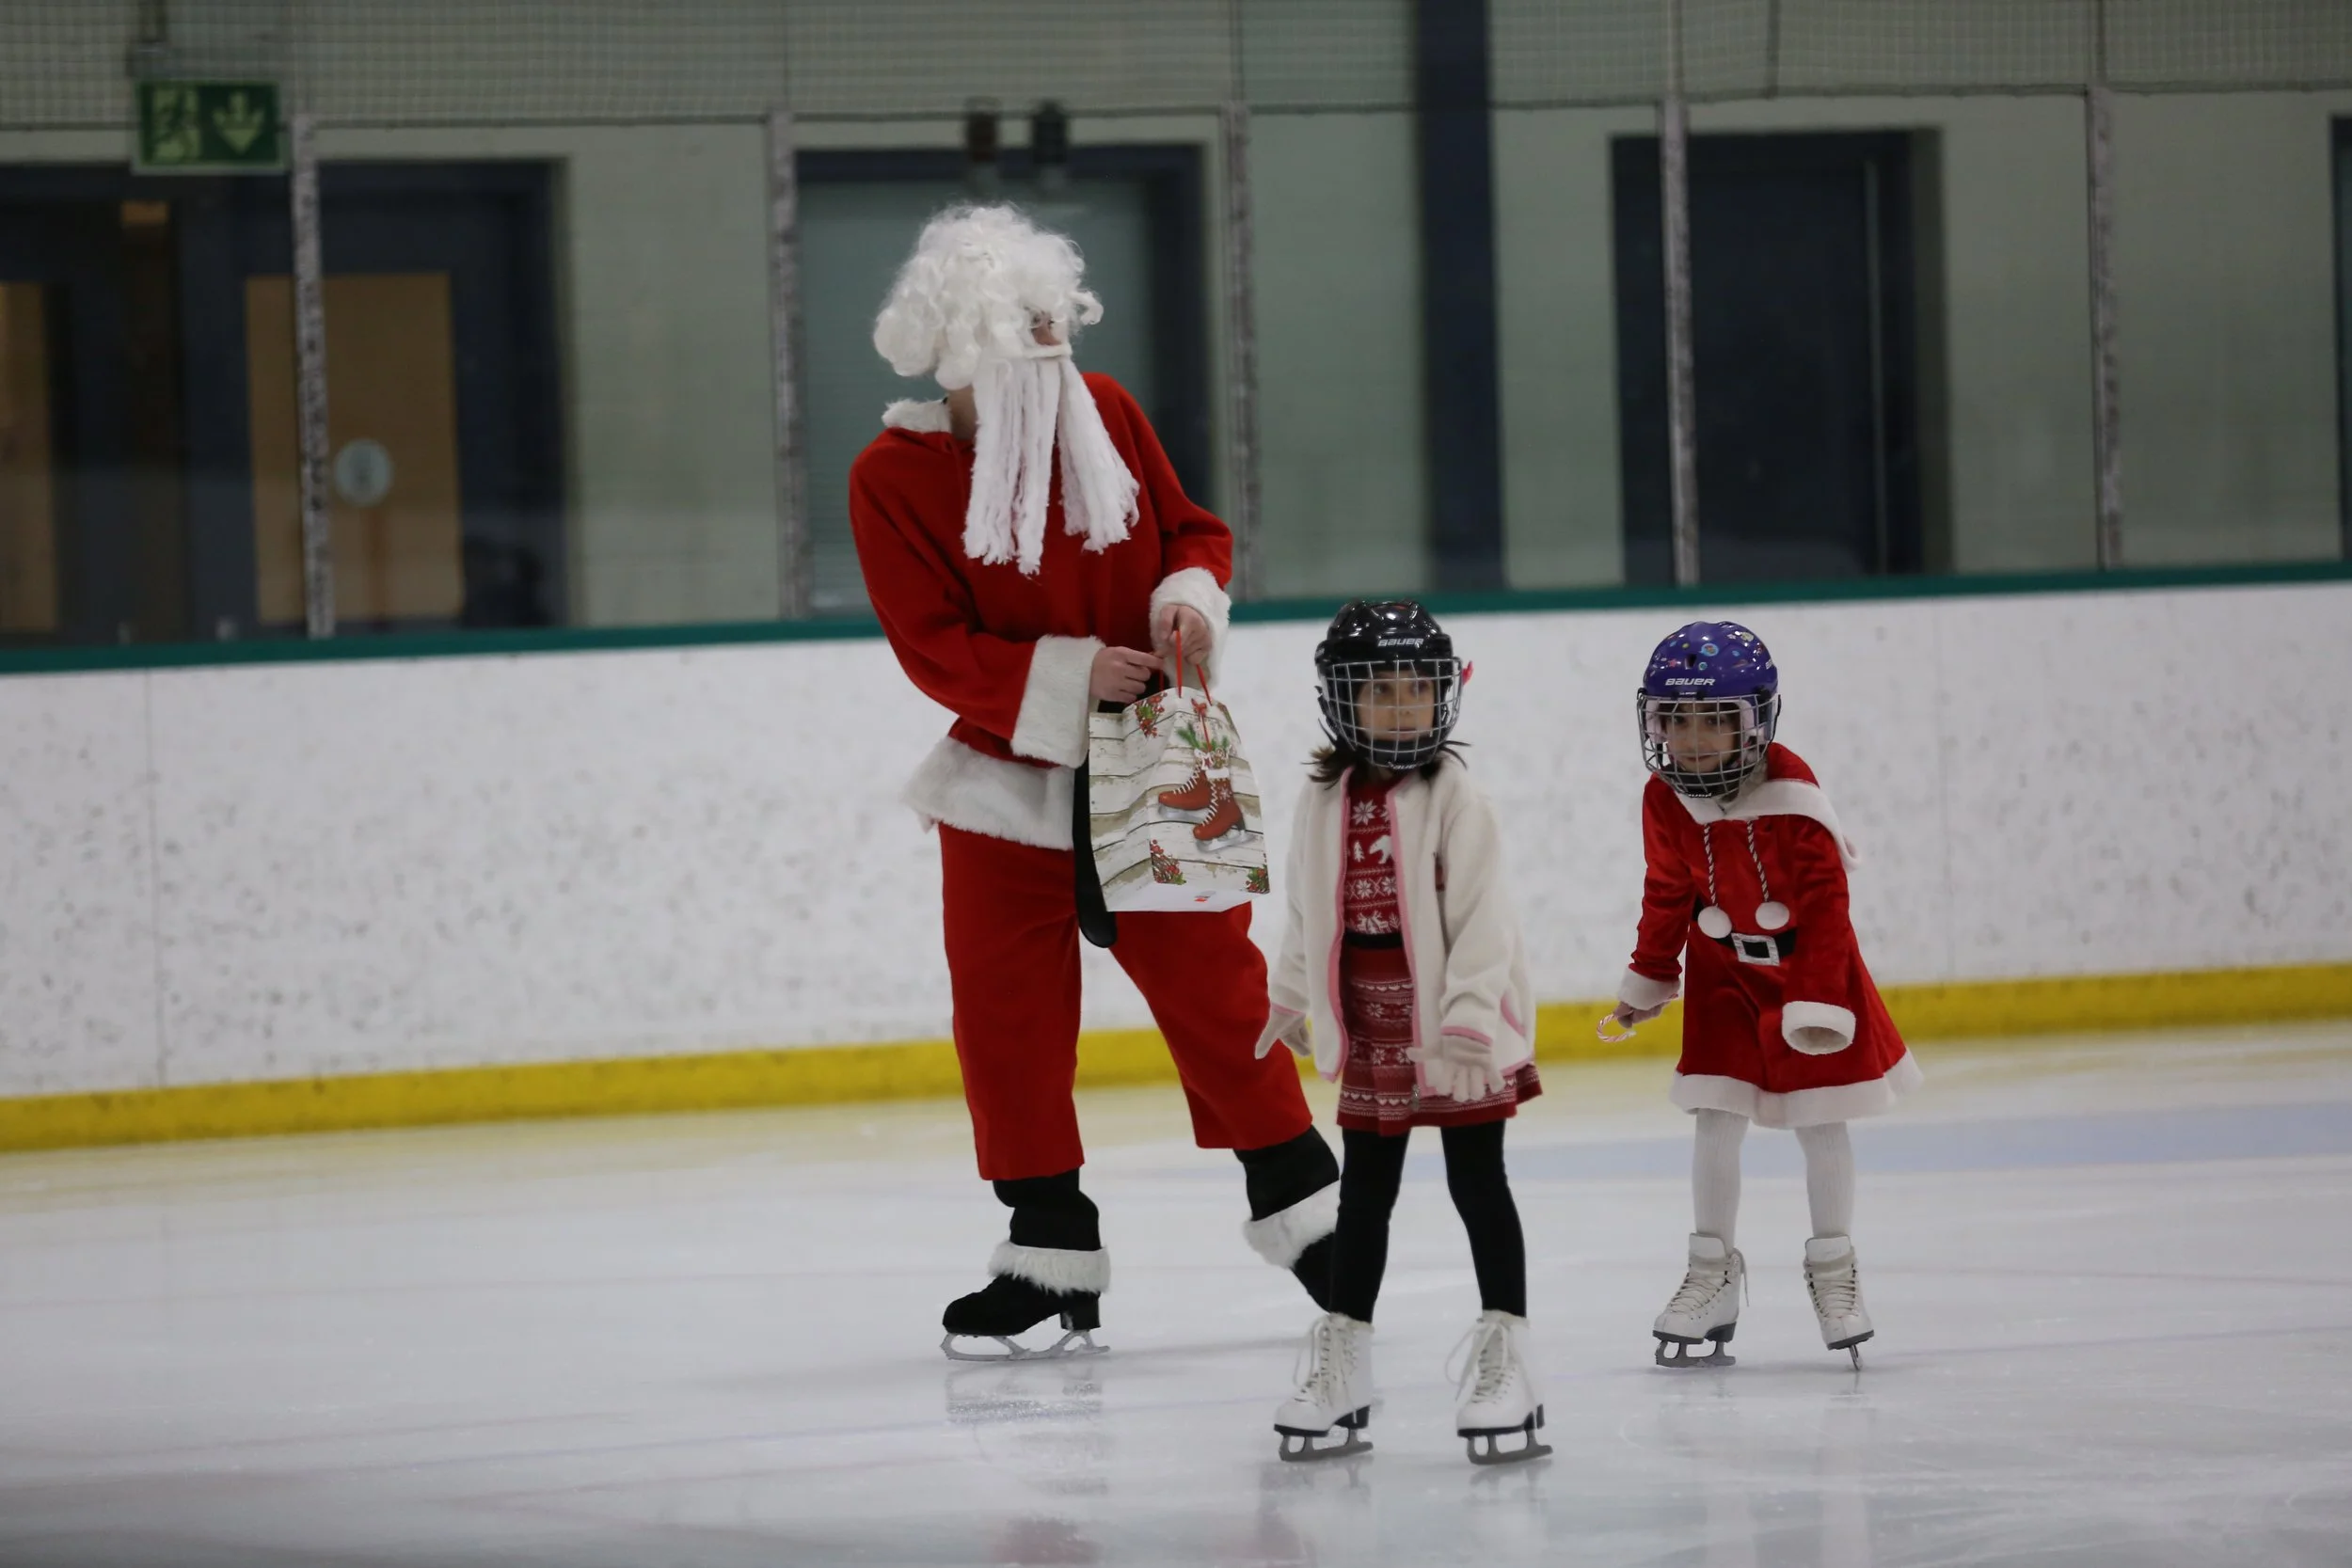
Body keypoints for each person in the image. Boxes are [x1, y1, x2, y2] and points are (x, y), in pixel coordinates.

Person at [849, 205, 1341, 1360]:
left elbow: (1192, 531)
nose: (1052, 380)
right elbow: (933, 646)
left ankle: (1308, 1211)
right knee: (1005, 1014)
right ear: (965, 369)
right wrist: (1070, 676)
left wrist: (1185, 595)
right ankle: (1046, 1241)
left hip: (1154, 761)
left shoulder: (1104, 411)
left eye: (1056, 350)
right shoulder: (893, 477)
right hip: (1004, 784)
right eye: (1028, 363)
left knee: (1214, 987)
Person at [1255, 601, 1549, 1465]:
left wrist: (1465, 1021)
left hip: (1455, 1032)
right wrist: (1291, 994)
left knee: (1477, 1184)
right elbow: (1308, 906)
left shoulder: (1461, 800)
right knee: (1363, 1196)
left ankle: (1510, 1357)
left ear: (1442, 698)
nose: (1397, 709)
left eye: (1413, 691)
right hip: (1376, 1029)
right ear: (1341, 703)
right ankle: (1345, 1355)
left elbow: (1486, 922)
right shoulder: (1323, 797)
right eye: (1376, 692)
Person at [1605, 622, 1921, 1370]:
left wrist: (1816, 1002)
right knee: (1714, 1116)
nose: (1691, 739)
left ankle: (1835, 1272)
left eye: (1713, 718)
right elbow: (1667, 891)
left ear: (1755, 719)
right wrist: (1650, 977)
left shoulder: (1794, 796)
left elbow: (1826, 909)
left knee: (1821, 1120)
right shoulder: (1663, 797)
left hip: (1810, 975)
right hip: (1722, 977)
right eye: (1675, 719)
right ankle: (1710, 1275)